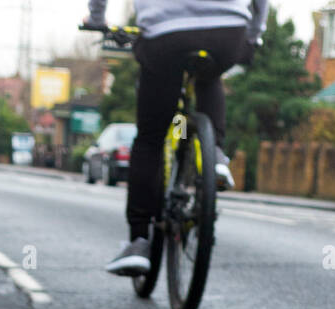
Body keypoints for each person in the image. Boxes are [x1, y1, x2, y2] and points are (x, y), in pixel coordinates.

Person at [85, 0, 267, 275]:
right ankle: (216, 155)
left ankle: (139, 241)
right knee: (209, 75)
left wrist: (97, 17)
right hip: (228, 32)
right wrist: (253, 34)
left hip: (165, 34)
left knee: (149, 139)